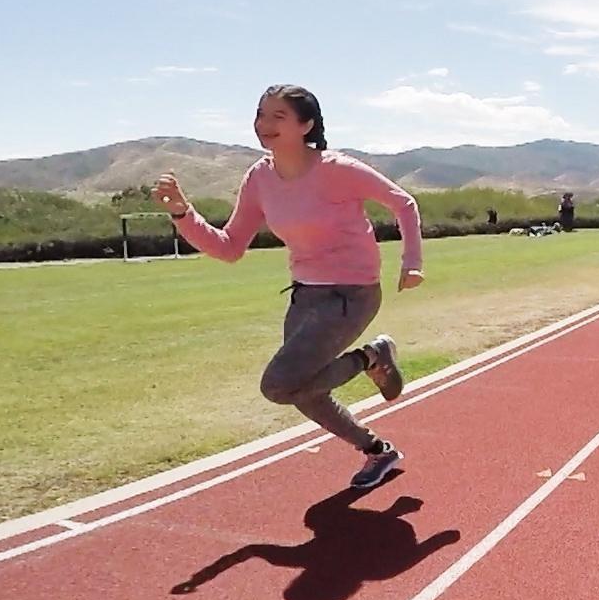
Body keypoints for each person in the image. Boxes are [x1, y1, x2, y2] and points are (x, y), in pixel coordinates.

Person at [155, 85, 425, 491]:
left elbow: (403, 203)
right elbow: (229, 247)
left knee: (279, 385)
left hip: (351, 293)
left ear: (306, 125)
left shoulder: (338, 169)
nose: (264, 124)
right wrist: (182, 212)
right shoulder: (260, 178)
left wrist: (412, 263)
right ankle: (377, 450)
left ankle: (370, 357)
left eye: (277, 116)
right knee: (304, 391)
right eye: (260, 114)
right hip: (304, 295)